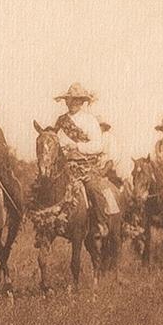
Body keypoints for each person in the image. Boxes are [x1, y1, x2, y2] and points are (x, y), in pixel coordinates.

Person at [51, 83, 114, 238]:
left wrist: (77, 146)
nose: (73, 103)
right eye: (71, 100)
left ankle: (101, 223)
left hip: (85, 165)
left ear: (82, 102)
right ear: (66, 101)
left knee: (93, 188)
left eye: (77, 100)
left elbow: (98, 145)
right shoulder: (60, 121)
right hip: (63, 166)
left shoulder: (89, 120)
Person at [96, 116, 122, 187]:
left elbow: (112, 159)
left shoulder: (109, 138)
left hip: (107, 172)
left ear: (104, 127)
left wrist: (103, 171)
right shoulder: (92, 139)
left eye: (99, 126)